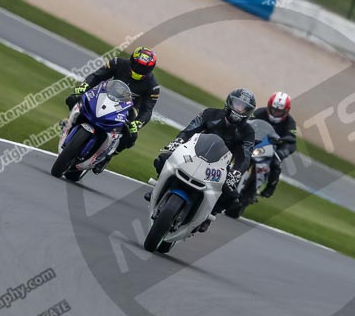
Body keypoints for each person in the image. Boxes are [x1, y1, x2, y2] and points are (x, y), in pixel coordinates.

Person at [147, 88, 257, 232]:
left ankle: (210, 215)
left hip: (220, 165)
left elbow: (245, 157)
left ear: (249, 112)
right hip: (193, 152)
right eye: (237, 105)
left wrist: (236, 173)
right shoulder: (210, 113)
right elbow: (189, 130)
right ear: (229, 102)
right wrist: (177, 143)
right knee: (164, 158)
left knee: (230, 194)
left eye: (244, 108)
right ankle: (158, 188)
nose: (239, 110)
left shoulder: (248, 132)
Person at [65, 46, 160, 173]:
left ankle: (108, 155)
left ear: (150, 69)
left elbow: (147, 110)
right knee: (72, 99)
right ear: (132, 59)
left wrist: (138, 123)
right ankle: (69, 122)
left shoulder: (153, 87)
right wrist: (85, 86)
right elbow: (96, 76)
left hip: (129, 108)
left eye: (144, 68)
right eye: (137, 65)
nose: (139, 69)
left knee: (131, 136)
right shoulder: (117, 62)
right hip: (105, 95)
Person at [251, 91, 296, 197]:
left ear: (286, 111)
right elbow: (248, 122)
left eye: (279, 111)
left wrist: (282, 142)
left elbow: (291, 138)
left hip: (276, 146)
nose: (275, 113)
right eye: (273, 109)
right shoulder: (260, 112)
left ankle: (270, 187)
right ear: (269, 106)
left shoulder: (290, 122)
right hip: (257, 141)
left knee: (276, 162)